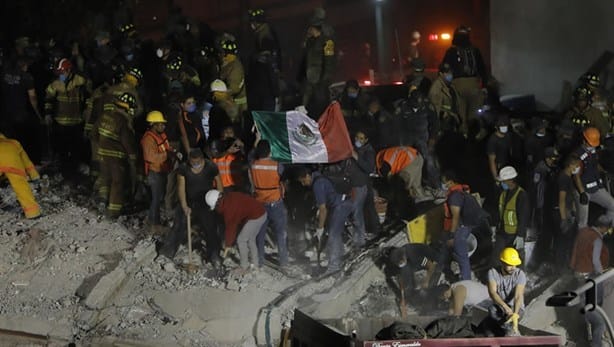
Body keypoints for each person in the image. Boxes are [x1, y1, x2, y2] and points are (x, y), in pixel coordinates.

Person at [159, 149, 223, 265]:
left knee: (211, 228)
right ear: (189, 160)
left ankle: (214, 255)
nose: (195, 164)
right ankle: (168, 252)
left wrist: (219, 199)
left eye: (197, 162)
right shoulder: (184, 168)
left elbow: (219, 182)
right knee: (178, 225)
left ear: (202, 159)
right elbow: (181, 188)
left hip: (206, 202)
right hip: (189, 201)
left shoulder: (210, 167)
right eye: (192, 162)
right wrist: (184, 206)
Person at [297, 167, 353, 274]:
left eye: (303, 181)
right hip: (342, 202)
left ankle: (334, 267)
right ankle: (339, 254)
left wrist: (320, 228)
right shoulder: (319, 177)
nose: (303, 184)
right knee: (332, 231)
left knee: (333, 234)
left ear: (308, 176)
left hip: (341, 206)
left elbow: (323, 210)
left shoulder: (317, 185)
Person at [91, 92, 138, 218]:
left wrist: (101, 146)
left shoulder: (104, 115)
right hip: (116, 157)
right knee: (117, 182)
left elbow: (94, 134)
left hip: (102, 154)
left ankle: (102, 200)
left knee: (105, 177)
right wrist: (133, 157)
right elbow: (127, 141)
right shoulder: (122, 121)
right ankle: (113, 211)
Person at [44, 58, 92, 177]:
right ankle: (64, 171)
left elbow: (88, 98)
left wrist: (87, 113)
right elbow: (48, 99)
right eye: (59, 72)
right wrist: (48, 114)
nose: (61, 74)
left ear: (69, 70)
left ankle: (75, 170)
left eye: (63, 72)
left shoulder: (80, 82)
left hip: (76, 121)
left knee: (76, 148)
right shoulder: (54, 83)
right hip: (60, 122)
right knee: (62, 149)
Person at [441, 171, 490, 280]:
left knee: (462, 256)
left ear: (450, 182)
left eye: (444, 182)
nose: (442, 184)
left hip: (463, 226)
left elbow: (456, 217)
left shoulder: (454, 197)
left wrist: (452, 236)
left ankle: (466, 281)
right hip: (473, 224)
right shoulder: (462, 191)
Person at [206, 189, 267, 275]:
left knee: (241, 239)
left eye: (215, 207)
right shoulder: (229, 197)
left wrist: (228, 245)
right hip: (261, 212)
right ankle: (255, 265)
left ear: (217, 203)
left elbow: (231, 227)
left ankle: (244, 267)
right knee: (250, 239)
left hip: (256, 216)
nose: (216, 209)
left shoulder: (228, 208)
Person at [441, 25, 488, 137]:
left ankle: (463, 137)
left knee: (461, 117)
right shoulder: (475, 51)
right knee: (475, 117)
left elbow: (444, 69)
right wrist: (484, 85)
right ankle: (475, 138)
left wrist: (446, 86)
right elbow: (482, 69)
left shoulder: (451, 51)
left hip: (458, 86)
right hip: (474, 86)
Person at [250, 139, 289, 268]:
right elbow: (283, 178)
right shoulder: (277, 165)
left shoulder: (253, 164)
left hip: (259, 203)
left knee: (260, 234)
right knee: (280, 233)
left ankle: (259, 261)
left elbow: (251, 154)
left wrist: (255, 139)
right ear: (269, 151)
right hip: (275, 202)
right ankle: (283, 262)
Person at [394, 89, 440, 188]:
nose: (418, 105)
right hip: (406, 138)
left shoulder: (427, 106)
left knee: (429, 162)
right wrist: (399, 142)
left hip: (422, 137)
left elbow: (435, 123)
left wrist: (432, 138)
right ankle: (405, 186)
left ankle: (435, 185)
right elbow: (396, 125)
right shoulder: (402, 106)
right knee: (404, 161)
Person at [141, 111, 176, 233]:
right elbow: (150, 157)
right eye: (160, 124)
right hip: (154, 172)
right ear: (153, 125)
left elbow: (165, 147)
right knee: (155, 199)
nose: (163, 126)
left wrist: (172, 151)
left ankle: (154, 222)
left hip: (162, 170)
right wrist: (167, 154)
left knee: (158, 198)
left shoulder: (161, 135)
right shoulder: (148, 139)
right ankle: (153, 224)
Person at [573, 127, 614, 228]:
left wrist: (604, 172)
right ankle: (582, 241)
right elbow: (576, 176)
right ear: (584, 140)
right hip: (583, 190)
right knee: (583, 222)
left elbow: (595, 164)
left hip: (596, 187)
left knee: (613, 206)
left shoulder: (593, 151)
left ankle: (601, 227)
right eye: (591, 144)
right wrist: (582, 193)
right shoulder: (577, 155)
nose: (592, 147)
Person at [299, 14, 336, 120]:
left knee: (320, 105)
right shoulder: (311, 41)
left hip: (320, 79)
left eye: (310, 27)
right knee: (306, 104)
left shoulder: (327, 41)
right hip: (310, 77)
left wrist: (325, 79)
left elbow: (329, 62)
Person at [485, 247, 526, 337]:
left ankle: (510, 331)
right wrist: (505, 308)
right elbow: (493, 293)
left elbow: (518, 296)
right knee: (492, 310)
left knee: (511, 320)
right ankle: (509, 330)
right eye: (510, 265)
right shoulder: (492, 273)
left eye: (515, 265)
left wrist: (514, 314)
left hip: (516, 307)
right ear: (502, 262)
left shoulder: (520, 274)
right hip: (500, 306)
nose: (513, 268)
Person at [246, 8, 281, 112]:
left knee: (268, 112)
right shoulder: (262, 33)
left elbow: (269, 64)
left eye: (252, 21)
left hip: (266, 86)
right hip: (265, 85)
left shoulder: (265, 36)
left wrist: (275, 91)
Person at [0, 132, 41, 219]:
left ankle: (1, 204)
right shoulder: (14, 143)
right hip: (13, 165)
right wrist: (35, 176)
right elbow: (26, 161)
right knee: (21, 187)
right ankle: (33, 213)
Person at [529, 147, 559, 264]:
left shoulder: (551, 167)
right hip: (541, 203)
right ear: (546, 158)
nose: (553, 161)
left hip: (548, 202)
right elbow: (536, 187)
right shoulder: (540, 168)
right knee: (541, 227)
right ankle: (537, 255)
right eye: (552, 158)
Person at [495, 166, 530, 263]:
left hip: (514, 234)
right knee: (499, 258)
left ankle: (518, 277)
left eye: (503, 181)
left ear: (511, 180)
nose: (502, 183)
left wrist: (520, 235)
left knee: (515, 259)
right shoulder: (504, 193)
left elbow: (524, 216)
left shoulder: (521, 195)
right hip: (503, 231)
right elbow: (501, 211)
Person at [554, 156, 581, 268]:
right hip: (563, 213)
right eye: (576, 165)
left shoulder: (568, 177)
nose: (578, 168)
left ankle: (566, 264)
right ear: (570, 165)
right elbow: (562, 200)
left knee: (569, 240)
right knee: (563, 241)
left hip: (569, 212)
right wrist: (564, 219)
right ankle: (561, 267)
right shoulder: (563, 178)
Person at [353, 129, 379, 237]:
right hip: (356, 181)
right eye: (357, 137)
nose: (358, 140)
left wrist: (356, 157)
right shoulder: (354, 148)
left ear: (366, 140)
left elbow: (368, 167)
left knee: (368, 206)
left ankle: (373, 230)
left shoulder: (368, 151)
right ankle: (367, 230)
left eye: (361, 138)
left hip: (365, 182)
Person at [219, 39, 248, 126]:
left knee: (234, 127)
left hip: (235, 105)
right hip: (234, 103)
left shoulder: (235, 67)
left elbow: (234, 88)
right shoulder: (230, 63)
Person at [428, 62, 460, 132]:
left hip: (452, 121)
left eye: (451, 72)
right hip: (444, 124)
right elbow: (436, 109)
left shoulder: (451, 86)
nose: (450, 75)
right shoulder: (436, 88)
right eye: (447, 73)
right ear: (441, 74)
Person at [487, 116, 513, 182]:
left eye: (505, 126)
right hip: (498, 167)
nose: (504, 128)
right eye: (502, 126)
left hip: (507, 165)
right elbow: (491, 160)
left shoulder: (508, 136)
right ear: (496, 127)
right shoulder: (493, 140)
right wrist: (495, 176)